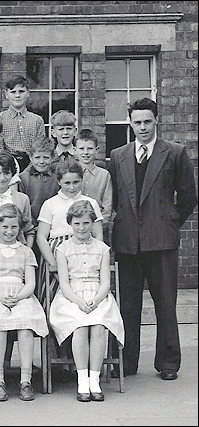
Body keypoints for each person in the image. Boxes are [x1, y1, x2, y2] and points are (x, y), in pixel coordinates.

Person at [108, 98, 197, 380]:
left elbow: (188, 196)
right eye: (137, 122)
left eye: (147, 121)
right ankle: (128, 361)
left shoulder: (175, 152)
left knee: (165, 303)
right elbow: (117, 199)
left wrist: (170, 221)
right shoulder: (118, 155)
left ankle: (168, 363)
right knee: (128, 305)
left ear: (156, 120)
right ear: (130, 123)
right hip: (128, 241)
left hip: (161, 241)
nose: (142, 127)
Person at [48, 201, 124, 402]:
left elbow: (106, 282)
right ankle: (82, 380)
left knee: (98, 325)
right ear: (70, 224)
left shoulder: (102, 248)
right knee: (80, 326)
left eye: (86, 223)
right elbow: (64, 283)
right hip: (71, 296)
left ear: (92, 223)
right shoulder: (63, 249)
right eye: (77, 224)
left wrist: (96, 299)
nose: (81, 228)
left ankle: (94, 379)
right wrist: (79, 301)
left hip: (98, 295)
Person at [0, 204, 48, 402]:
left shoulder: (26, 252)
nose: (9, 231)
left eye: (14, 227)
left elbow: (30, 283)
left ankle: (26, 380)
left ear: (20, 228)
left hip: (21, 295)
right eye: (5, 227)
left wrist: (19, 296)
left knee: (25, 324)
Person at [0, 75, 45, 172]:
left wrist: (29, 170)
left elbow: (40, 148)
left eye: (21, 91)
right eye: (13, 92)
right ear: (6, 94)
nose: (17, 95)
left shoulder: (37, 120)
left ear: (28, 93)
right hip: (7, 167)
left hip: (33, 167)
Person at [75, 129, 112, 237]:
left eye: (90, 149)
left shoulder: (104, 175)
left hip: (98, 232)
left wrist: (95, 229)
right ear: (75, 150)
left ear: (96, 150)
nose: (85, 152)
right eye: (81, 148)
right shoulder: (71, 173)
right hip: (74, 232)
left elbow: (107, 209)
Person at [18, 137, 59, 226]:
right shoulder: (23, 178)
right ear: (31, 158)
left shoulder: (57, 178)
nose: (41, 162)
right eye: (37, 157)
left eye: (46, 157)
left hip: (53, 224)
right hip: (29, 225)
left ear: (52, 158)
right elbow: (22, 206)